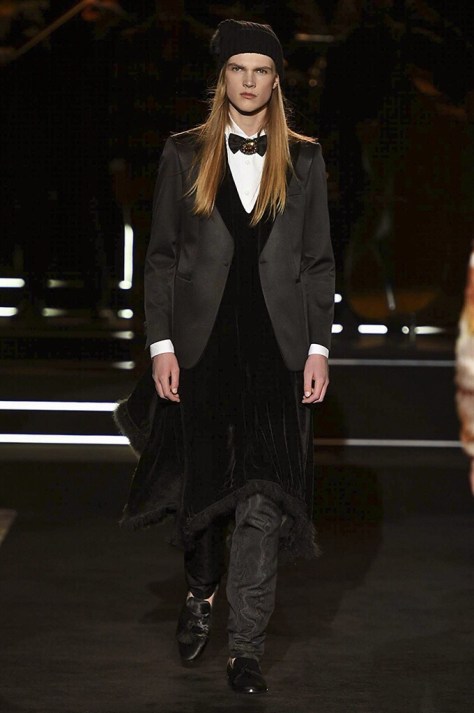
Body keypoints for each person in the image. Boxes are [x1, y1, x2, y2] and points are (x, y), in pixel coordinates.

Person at [116, 18, 335, 694]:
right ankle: (201, 588)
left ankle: (246, 648)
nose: (249, 81)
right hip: (202, 349)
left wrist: (319, 346)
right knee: (205, 496)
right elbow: (160, 257)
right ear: (223, 77)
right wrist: (161, 345)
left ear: (276, 81)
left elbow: (318, 260)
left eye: (261, 70)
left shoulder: (304, 159)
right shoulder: (184, 154)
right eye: (239, 68)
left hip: (276, 352)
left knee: (263, 499)